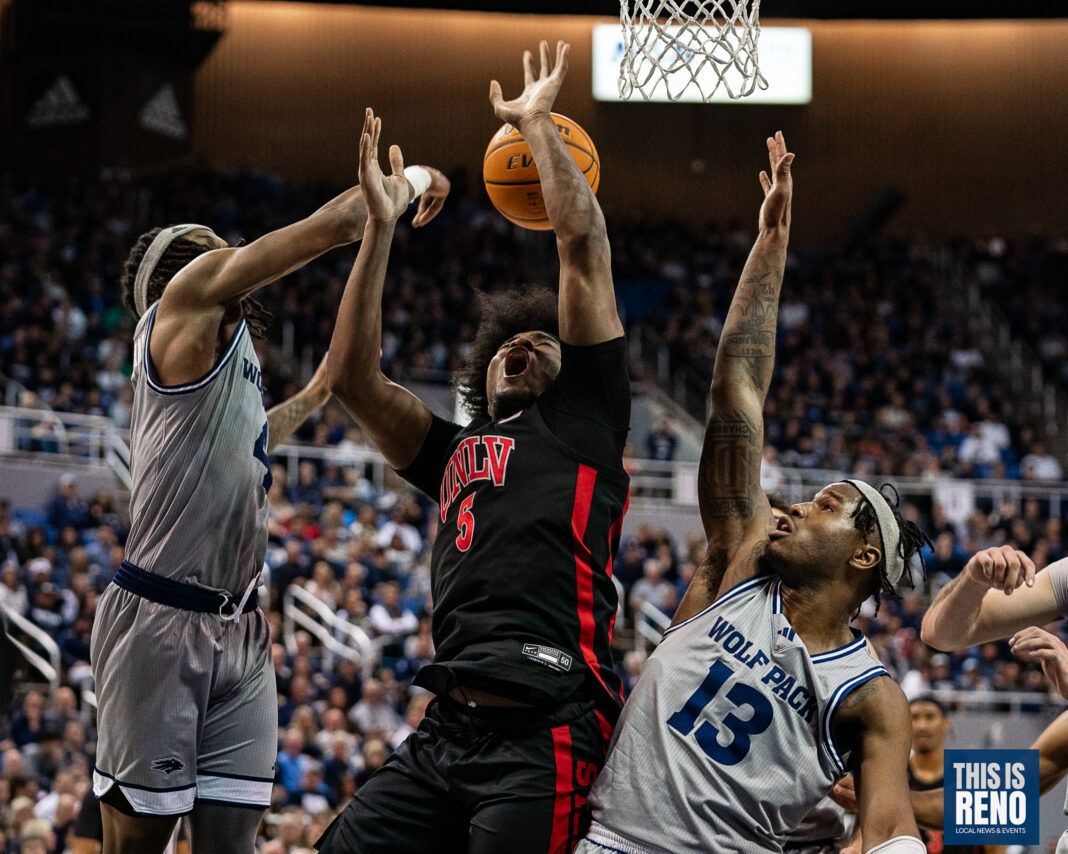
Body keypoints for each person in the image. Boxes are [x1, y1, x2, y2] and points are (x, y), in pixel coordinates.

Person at [89, 147, 449, 854]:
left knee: (236, 844)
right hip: (162, 620)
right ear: (181, 269)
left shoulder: (223, 365)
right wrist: (418, 182)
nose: (229, 251)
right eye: (211, 248)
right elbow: (337, 222)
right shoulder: (186, 300)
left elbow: (248, 444)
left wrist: (313, 398)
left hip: (242, 628)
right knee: (137, 846)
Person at [580, 133, 930, 853]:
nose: (799, 505)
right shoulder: (740, 555)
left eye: (828, 505)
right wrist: (770, 241)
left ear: (866, 554)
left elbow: (891, 828)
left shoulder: (872, 696)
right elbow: (736, 390)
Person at [319, 42, 629, 853]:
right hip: (448, 727)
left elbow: (581, 249)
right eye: (507, 343)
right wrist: (378, 233)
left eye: (541, 339)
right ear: (481, 374)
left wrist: (538, 128)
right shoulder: (453, 449)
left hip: (549, 726)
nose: (522, 344)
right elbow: (352, 380)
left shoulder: (585, 422)